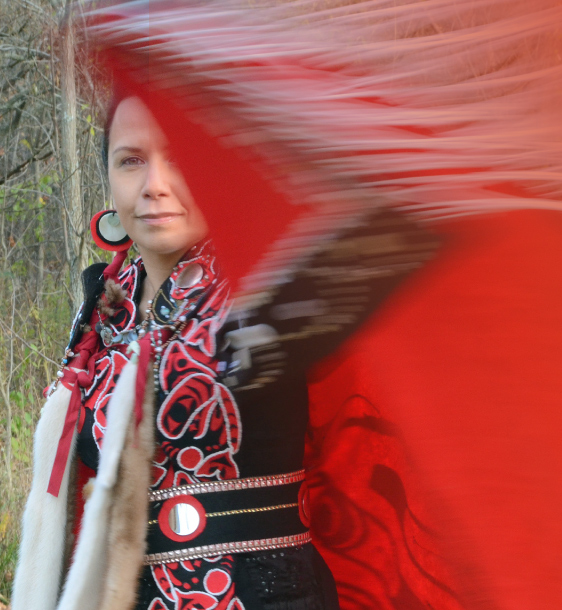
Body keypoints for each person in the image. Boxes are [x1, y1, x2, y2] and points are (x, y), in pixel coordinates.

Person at [11, 94, 437, 610]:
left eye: (182, 159)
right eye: (131, 160)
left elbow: (398, 233)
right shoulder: (99, 312)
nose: (155, 186)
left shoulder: (272, 286)